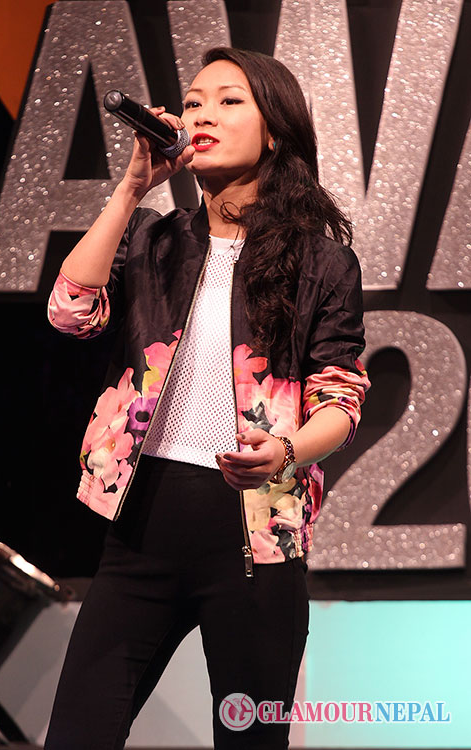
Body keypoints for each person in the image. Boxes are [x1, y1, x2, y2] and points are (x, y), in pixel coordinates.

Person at [45, 47, 369, 750]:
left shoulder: (321, 261)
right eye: (193, 102)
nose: (203, 115)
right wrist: (131, 190)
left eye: (229, 101)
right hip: (140, 535)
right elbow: (70, 312)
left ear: (274, 131)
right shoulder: (153, 239)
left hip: (255, 543)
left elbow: (340, 399)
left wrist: (285, 450)